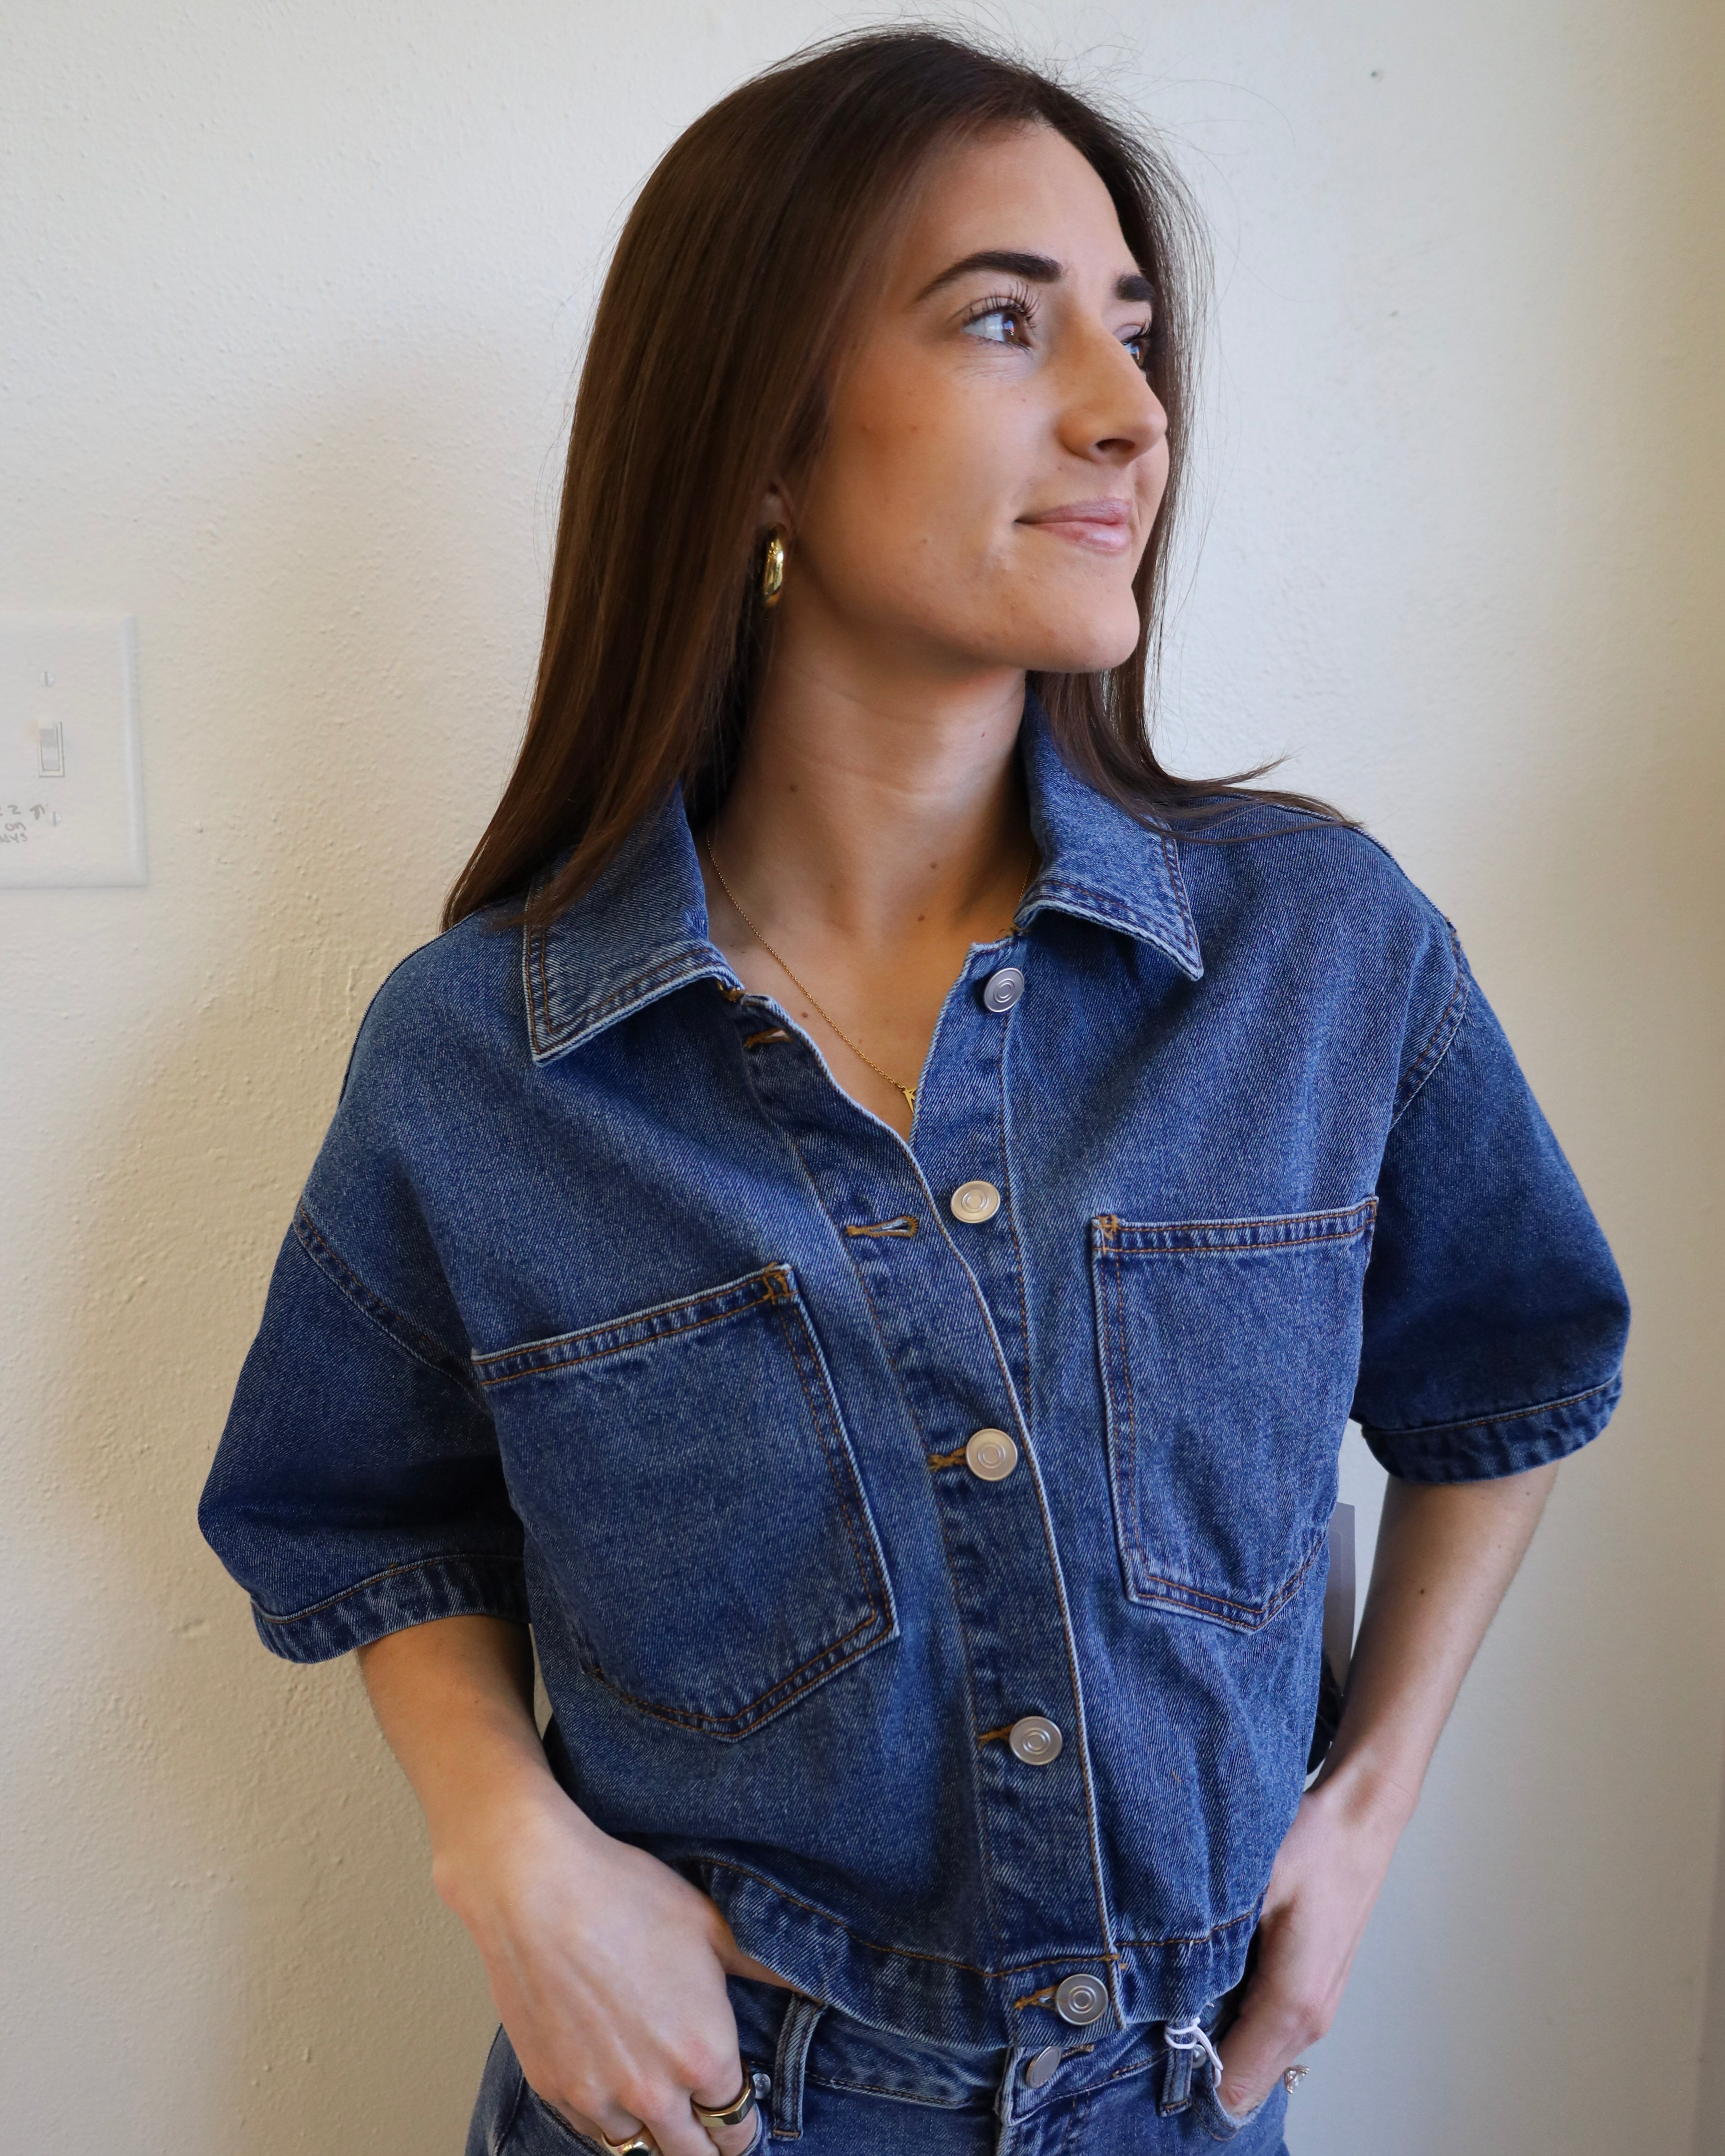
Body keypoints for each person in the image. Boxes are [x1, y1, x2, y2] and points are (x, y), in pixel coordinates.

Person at [198, 28, 1630, 2156]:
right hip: (718, 2109)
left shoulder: (1318, 955)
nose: (1132, 411)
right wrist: (502, 1841)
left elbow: (1508, 1375)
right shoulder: (490, 1055)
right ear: (761, 438)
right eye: (1002, 321)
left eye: (1134, 332)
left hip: (1182, 2101)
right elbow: (357, 1508)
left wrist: (1365, 1808)